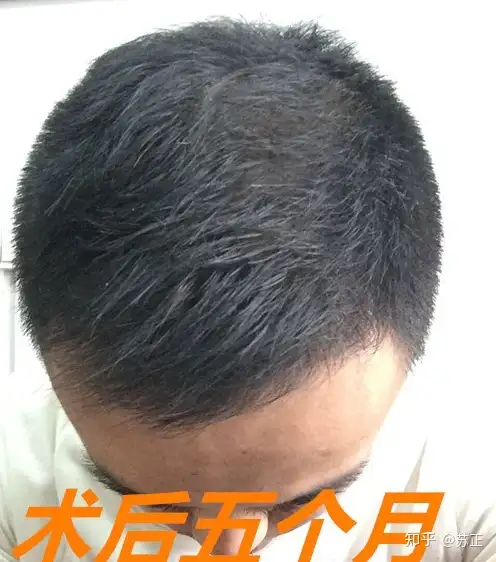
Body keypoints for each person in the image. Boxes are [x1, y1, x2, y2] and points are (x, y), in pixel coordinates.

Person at [0, 18, 494, 562]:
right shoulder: (13, 478)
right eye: (155, 503)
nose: (230, 550)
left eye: (306, 500)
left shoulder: (468, 478)